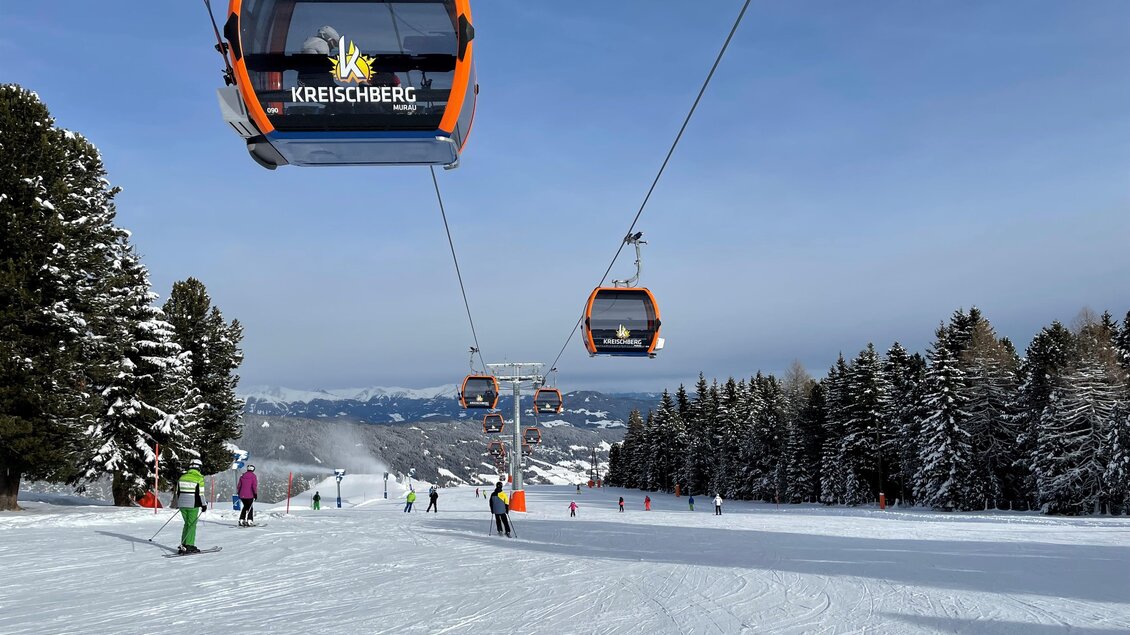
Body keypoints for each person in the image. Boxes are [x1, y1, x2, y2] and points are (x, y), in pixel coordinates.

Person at [174, 458, 207, 554]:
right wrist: (204, 505)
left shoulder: (182, 477)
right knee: (192, 525)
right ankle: (189, 545)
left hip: (182, 504)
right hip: (193, 505)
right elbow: (201, 494)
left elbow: (177, 492)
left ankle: (183, 544)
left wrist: (179, 503)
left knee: (186, 524)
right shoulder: (199, 478)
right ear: (199, 468)